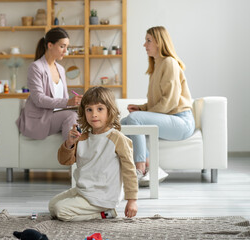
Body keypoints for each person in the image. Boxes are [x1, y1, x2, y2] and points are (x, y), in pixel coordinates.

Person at [49, 87, 138, 221]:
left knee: (60, 211)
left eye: (100, 109)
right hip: (83, 190)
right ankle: (93, 210)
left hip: (102, 196)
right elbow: (64, 161)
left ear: (110, 111)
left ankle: (104, 213)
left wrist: (132, 200)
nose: (94, 114)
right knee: (52, 206)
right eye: (89, 110)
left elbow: (129, 170)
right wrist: (69, 143)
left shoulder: (117, 138)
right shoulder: (82, 137)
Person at [121, 26, 195, 187]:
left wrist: (141, 115)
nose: (144, 45)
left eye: (148, 41)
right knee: (124, 123)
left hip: (181, 121)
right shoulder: (156, 66)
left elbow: (170, 102)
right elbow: (158, 102)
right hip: (169, 117)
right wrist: (142, 108)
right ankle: (150, 166)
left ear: (159, 42)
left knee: (134, 120)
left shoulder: (169, 63)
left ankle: (140, 167)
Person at [17, 27, 82, 140]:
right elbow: (39, 99)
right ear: (50, 45)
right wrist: (68, 102)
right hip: (39, 119)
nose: (65, 51)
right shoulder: (36, 67)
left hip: (57, 115)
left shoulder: (61, 69)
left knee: (87, 116)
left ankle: (81, 152)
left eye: (67, 47)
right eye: (62, 46)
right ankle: (70, 154)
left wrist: (78, 104)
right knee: (70, 116)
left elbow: (64, 98)